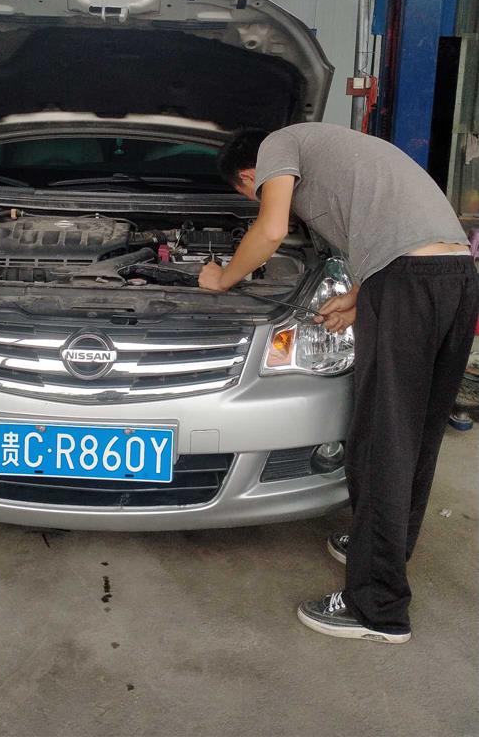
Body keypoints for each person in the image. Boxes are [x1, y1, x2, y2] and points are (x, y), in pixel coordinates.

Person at [199, 123, 478, 644]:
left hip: (407, 282)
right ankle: (381, 552)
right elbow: (396, 238)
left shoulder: (277, 145)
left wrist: (222, 278)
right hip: (455, 276)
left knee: (380, 441)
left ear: (249, 176)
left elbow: (270, 232)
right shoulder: (334, 150)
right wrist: (357, 298)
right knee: (416, 434)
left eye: (249, 194)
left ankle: (377, 609)